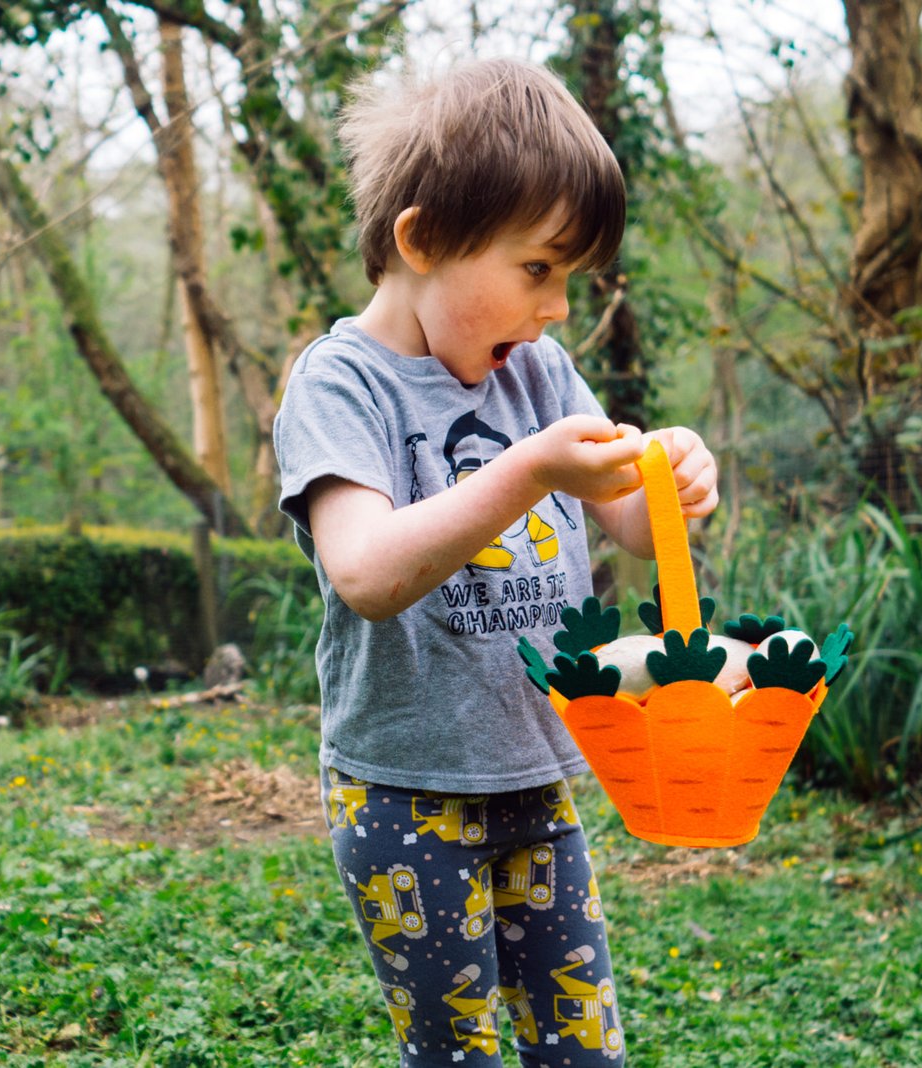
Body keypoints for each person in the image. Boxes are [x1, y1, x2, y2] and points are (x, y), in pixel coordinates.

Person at [273, 56, 718, 1067]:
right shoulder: (343, 387)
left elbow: (636, 529)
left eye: (568, 278)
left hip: (539, 778)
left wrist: (675, 482)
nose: (557, 307)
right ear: (422, 240)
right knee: (457, 1052)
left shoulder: (538, 371)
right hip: (403, 791)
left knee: (583, 1050)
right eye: (536, 270)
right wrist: (525, 473)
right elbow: (367, 573)